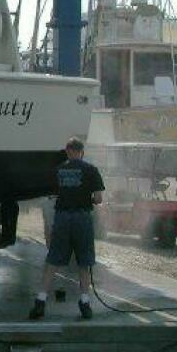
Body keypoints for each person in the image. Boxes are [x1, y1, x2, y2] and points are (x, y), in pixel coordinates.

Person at [29, 137, 104, 320]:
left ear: (67, 151)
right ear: (82, 151)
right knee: (84, 263)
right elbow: (99, 199)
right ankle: (85, 303)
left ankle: (40, 301)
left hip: (62, 218)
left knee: (52, 261)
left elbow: (51, 193)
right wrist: (88, 198)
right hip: (82, 218)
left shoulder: (58, 170)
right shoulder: (91, 170)